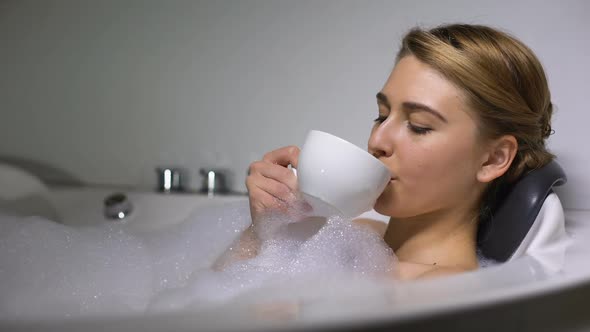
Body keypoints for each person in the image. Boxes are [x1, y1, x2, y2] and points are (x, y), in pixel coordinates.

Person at [229, 24, 555, 280]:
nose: (377, 141)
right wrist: (262, 230)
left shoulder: (439, 295)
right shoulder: (359, 235)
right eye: (382, 116)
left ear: (492, 159)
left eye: (419, 125)